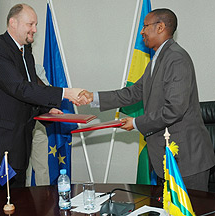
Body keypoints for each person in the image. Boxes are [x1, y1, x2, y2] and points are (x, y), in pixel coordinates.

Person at [79, 8, 215, 191]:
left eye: (145, 26)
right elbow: (132, 93)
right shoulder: (157, 60)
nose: (142, 31)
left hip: (187, 160)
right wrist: (92, 97)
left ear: (160, 27)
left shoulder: (176, 59)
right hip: (169, 158)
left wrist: (136, 123)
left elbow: (174, 109)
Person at [0, 3, 83, 194]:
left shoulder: (25, 51)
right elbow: (19, 88)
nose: (34, 30)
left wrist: (47, 109)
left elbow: (30, 88)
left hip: (16, 149)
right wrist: (65, 93)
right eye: (30, 24)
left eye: (36, 24)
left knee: (15, 202)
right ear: (13, 23)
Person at [26, 64, 51, 186]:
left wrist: (31, 73)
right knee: (23, 168)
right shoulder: (10, 68)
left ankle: (45, 200)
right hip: (21, 124)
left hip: (38, 123)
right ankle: (20, 201)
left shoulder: (37, 68)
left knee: (42, 166)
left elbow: (45, 91)